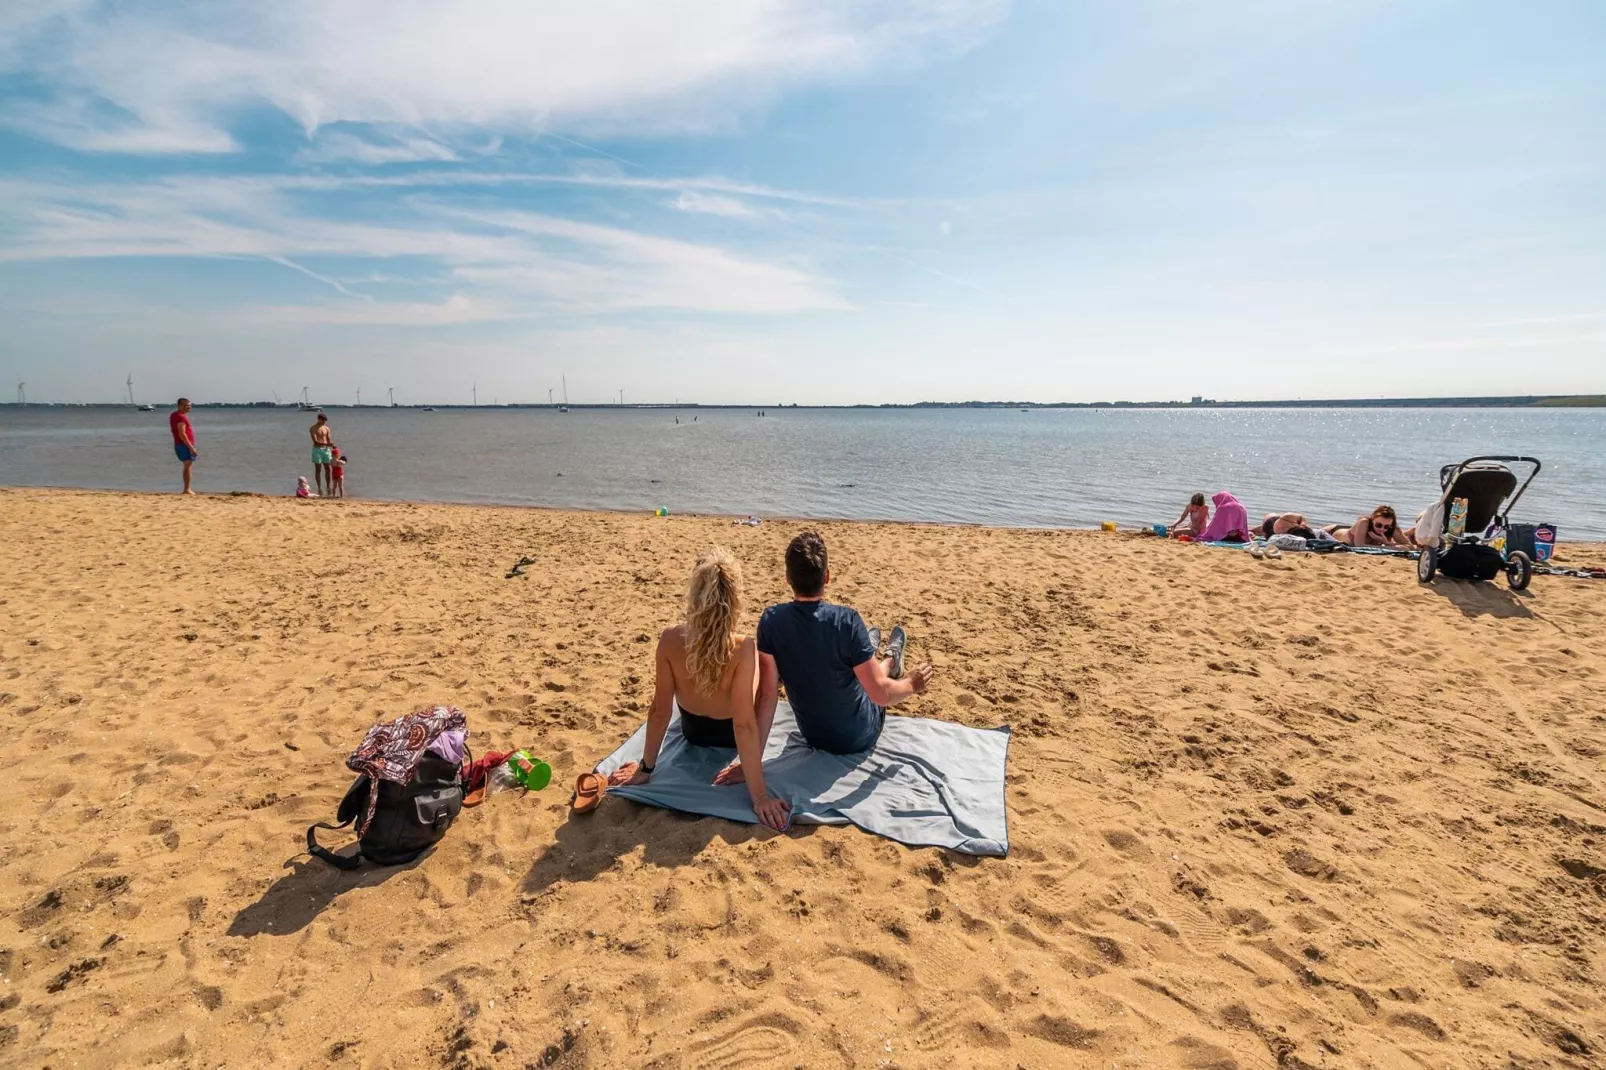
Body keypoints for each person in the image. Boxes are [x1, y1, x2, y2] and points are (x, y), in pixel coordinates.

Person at [607, 548, 791, 830]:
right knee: (767, 674)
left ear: (694, 596)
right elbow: (744, 725)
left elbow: (660, 711)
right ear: (734, 599)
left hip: (692, 732)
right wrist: (760, 796)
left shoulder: (670, 639)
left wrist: (645, 769)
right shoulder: (743, 648)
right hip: (731, 739)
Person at [752, 531, 934, 763]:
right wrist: (911, 684)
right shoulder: (846, 620)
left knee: (849, 665)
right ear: (826, 577)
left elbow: (767, 697)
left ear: (787, 578)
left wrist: (751, 761)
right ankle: (890, 659)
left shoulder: (771, 621)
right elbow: (880, 695)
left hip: (814, 735)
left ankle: (871, 648)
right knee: (862, 673)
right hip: (859, 736)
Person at [1327, 504, 1411, 547]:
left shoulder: (1391, 528)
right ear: (1372, 519)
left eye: (1386, 527)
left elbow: (1410, 547)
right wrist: (1391, 547)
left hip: (1352, 531)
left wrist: (1386, 543)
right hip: (1332, 532)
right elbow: (1359, 546)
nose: (1382, 529)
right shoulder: (1364, 523)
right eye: (1378, 525)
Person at [169, 397, 197, 494]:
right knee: (188, 465)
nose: (189, 407)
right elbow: (182, 433)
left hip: (180, 444)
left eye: (189, 405)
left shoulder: (175, 415)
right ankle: (187, 489)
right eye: (186, 405)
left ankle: (187, 489)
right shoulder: (180, 416)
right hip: (183, 445)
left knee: (188, 465)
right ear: (180, 406)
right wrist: (191, 447)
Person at [309, 413, 335, 495]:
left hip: (326, 450)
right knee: (318, 469)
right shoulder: (313, 428)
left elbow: (329, 439)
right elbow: (315, 441)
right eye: (323, 420)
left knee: (328, 468)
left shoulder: (327, 428)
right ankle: (319, 487)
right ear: (319, 419)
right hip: (317, 450)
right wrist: (327, 444)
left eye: (325, 420)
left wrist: (332, 445)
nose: (324, 422)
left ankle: (328, 487)